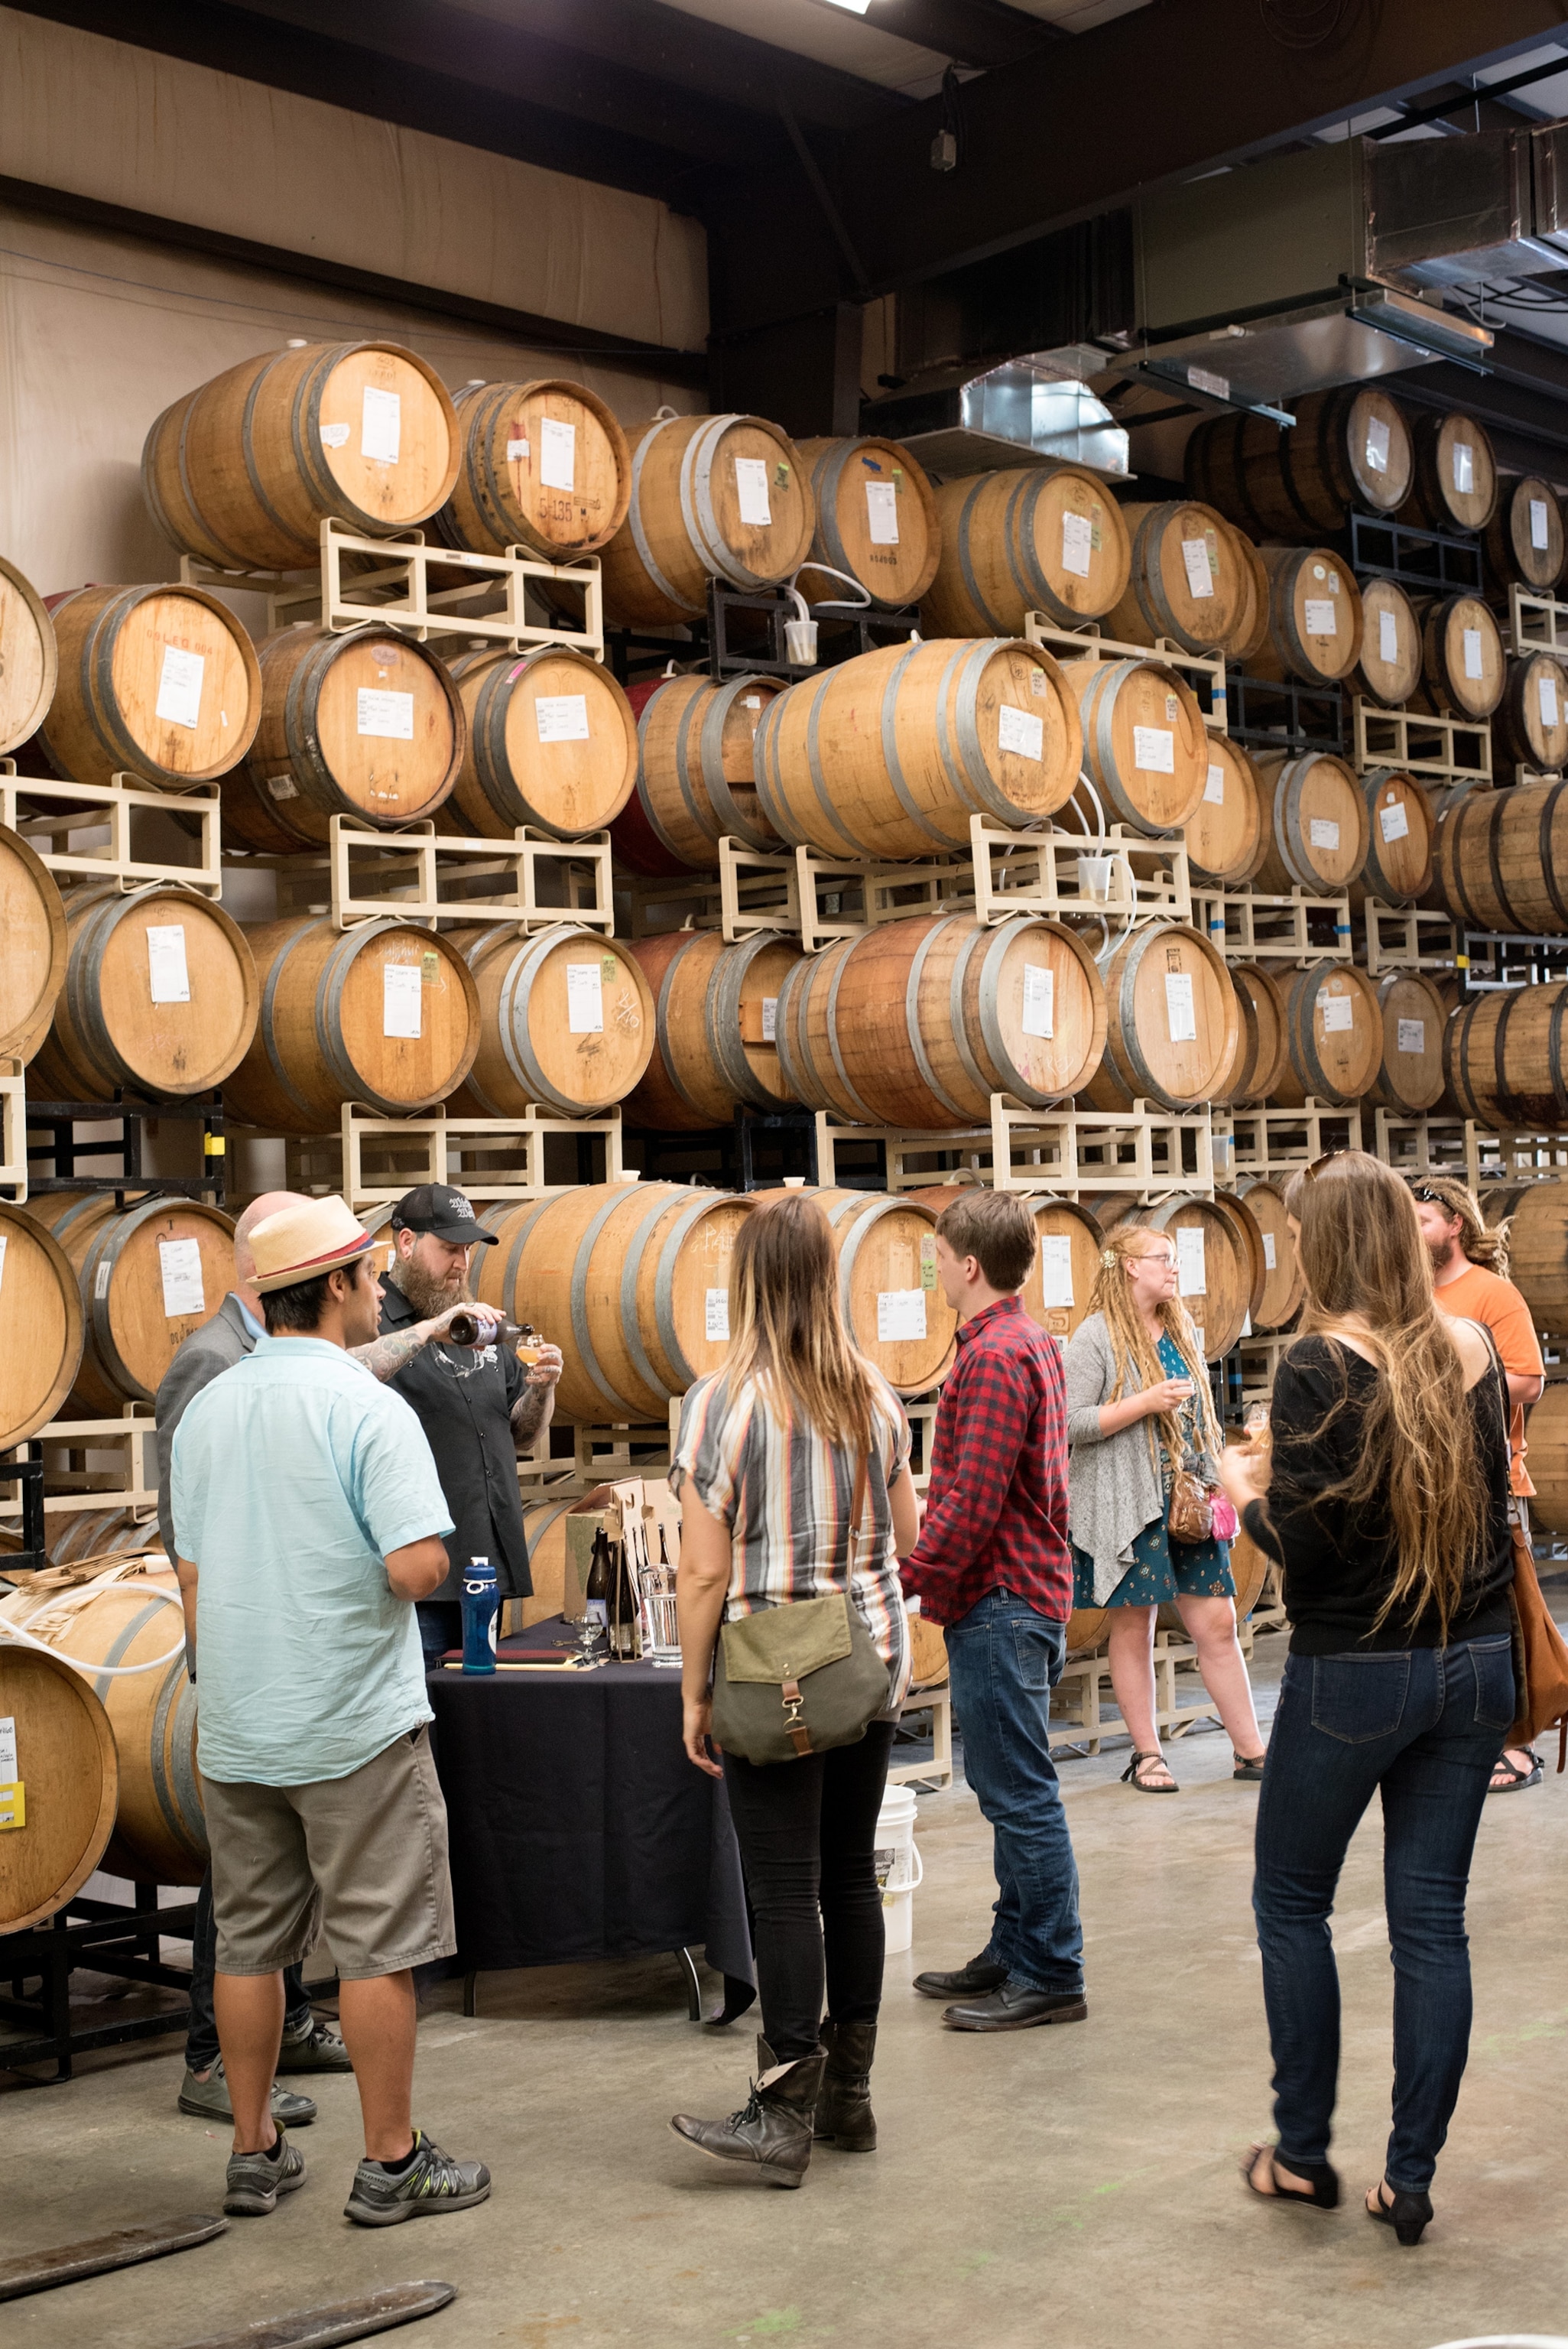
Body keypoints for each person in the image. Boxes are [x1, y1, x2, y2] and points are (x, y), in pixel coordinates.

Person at [170, 1194, 491, 2226]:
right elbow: (413, 1566)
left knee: (249, 1942)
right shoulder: (367, 1410)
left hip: (240, 1720)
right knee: (376, 1945)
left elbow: (189, 1575)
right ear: (348, 1284)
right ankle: (390, 2162)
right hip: (352, 1721)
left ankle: (253, 2147)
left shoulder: (212, 1403)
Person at [1219, 1152, 1513, 2249]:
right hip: (1474, 1660)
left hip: (1356, 1672)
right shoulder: (1469, 1346)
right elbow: (1490, 1512)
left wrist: (1244, 1492)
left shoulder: (1314, 1364)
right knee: (1429, 1922)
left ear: (1324, 1243)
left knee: (1290, 1902)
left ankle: (1300, 2155)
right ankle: (1408, 2178)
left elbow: (1308, 1549)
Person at [668, 1192, 920, 2188]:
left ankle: (781, 2110)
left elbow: (699, 1572)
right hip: (867, 1663)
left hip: (773, 1675)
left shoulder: (722, 1405)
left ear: (748, 1285)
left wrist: (692, 1691)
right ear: (827, 1277)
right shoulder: (872, 1391)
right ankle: (847, 2100)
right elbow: (906, 1529)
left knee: (780, 1887)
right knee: (847, 1875)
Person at [155, 1191, 351, 2130]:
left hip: (281, 1650)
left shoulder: (270, 1359)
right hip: (242, 1655)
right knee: (242, 1887)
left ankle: (293, 2020)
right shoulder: (209, 1362)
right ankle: (208, 2059)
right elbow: (192, 1530)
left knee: (280, 1878)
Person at [901, 1190, 1087, 2033]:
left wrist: (908, 1578)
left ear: (967, 1265)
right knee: (1006, 1785)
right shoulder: (1028, 1340)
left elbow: (969, 1503)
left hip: (1000, 1601)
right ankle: (1013, 1947)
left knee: (1019, 1794)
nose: (934, 1270)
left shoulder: (989, 1359)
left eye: (937, 1258)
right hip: (1025, 1594)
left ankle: (1050, 1970)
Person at [1064, 1226, 1268, 1792]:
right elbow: (1069, 1422)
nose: (1174, 1270)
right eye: (1164, 1259)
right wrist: (1143, 1403)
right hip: (1128, 1505)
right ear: (1129, 1266)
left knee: (1218, 1623)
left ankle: (1251, 1750)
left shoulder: (1180, 1329)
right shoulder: (1094, 1337)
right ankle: (1147, 1754)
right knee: (1134, 1626)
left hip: (1187, 1500)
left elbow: (1198, 1416)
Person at [364, 1184, 562, 1672]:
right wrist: (431, 1328)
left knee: (480, 1715)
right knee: (429, 1718)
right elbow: (343, 1373)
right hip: (420, 1579)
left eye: (467, 1250)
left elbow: (519, 1436)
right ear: (406, 1243)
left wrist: (541, 1389)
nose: (461, 1263)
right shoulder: (374, 1322)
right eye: (449, 1249)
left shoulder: (481, 1325)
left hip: (486, 1572)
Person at [1408, 1174, 1546, 1795]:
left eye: (1423, 1222)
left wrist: (1448, 1393)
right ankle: (1457, 1732)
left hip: (1490, 1476)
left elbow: (1527, 1380)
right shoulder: (1408, 1295)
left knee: (1503, 1610)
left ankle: (1516, 1744)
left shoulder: (1491, 1293)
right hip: (1425, 1481)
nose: (1413, 1233)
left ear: (1453, 1225)